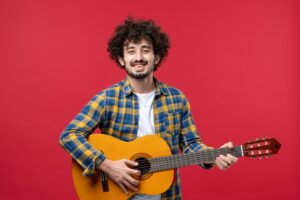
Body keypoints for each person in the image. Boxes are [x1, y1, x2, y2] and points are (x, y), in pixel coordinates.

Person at [59, 17, 238, 200]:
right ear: (121, 59)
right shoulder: (107, 98)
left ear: (157, 57)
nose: (138, 58)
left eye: (145, 51)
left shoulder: (177, 99)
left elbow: (192, 145)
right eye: (131, 52)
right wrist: (106, 165)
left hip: (167, 195)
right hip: (118, 193)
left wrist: (214, 156)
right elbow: (69, 135)